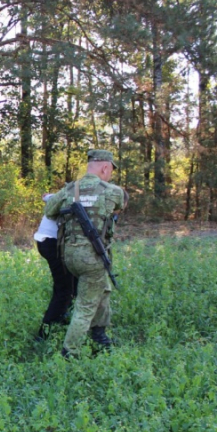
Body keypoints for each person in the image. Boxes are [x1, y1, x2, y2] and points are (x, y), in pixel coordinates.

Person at [44, 149, 126, 358]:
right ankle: (70, 352)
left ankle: (99, 334)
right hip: (92, 257)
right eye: (110, 170)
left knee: (102, 288)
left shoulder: (70, 189)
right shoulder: (111, 190)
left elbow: (49, 211)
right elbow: (123, 202)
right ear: (105, 167)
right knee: (85, 306)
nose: (110, 174)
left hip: (69, 255)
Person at [34, 192, 77, 341]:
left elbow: (47, 196)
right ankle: (43, 334)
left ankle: (64, 319)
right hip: (53, 243)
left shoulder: (68, 193)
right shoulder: (81, 197)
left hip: (47, 241)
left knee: (74, 282)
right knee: (64, 289)